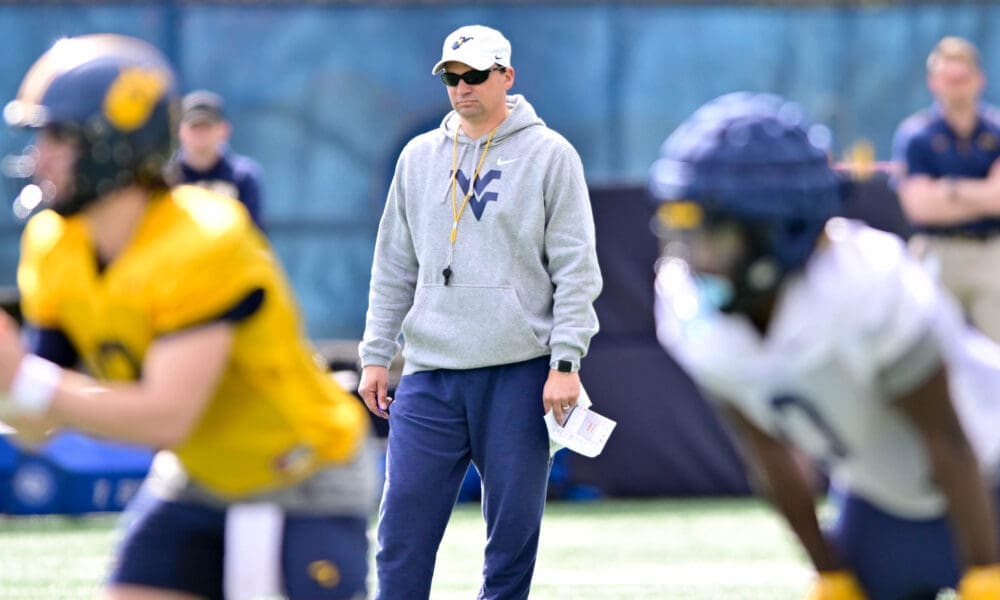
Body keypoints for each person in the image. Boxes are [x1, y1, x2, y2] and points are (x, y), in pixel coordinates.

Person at [0, 33, 375, 600]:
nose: (40, 155)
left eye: (58, 135)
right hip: (197, 475)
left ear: (114, 141)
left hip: (296, 474)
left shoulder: (205, 237)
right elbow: (36, 420)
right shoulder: (53, 243)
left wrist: (25, 380)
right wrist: (12, 386)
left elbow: (166, 415)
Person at [650, 91, 1000, 599]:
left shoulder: (865, 283)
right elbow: (768, 452)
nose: (696, 257)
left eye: (717, 235)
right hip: (890, 496)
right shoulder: (688, 309)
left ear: (779, 230)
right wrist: (829, 570)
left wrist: (985, 574)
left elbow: (947, 441)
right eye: (687, 229)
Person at [357, 24, 602, 600]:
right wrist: (375, 354)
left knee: (512, 538)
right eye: (451, 77)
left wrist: (565, 363)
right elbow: (394, 264)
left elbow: (576, 269)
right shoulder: (418, 157)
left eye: (475, 76)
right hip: (430, 372)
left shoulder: (550, 155)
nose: (462, 87)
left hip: (518, 372)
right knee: (402, 530)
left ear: (506, 76)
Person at [892, 36, 1000, 343]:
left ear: (978, 80)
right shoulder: (916, 135)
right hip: (938, 251)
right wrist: (984, 192)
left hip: (992, 252)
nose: (956, 86)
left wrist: (949, 189)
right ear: (933, 82)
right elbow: (920, 206)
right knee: (929, 351)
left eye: (962, 78)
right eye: (948, 79)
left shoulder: (996, 130)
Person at [176, 89, 266, 230]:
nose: (201, 134)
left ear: (224, 129)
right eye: (194, 127)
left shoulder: (242, 177)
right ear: (180, 131)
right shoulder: (166, 180)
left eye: (206, 127)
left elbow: (254, 235)